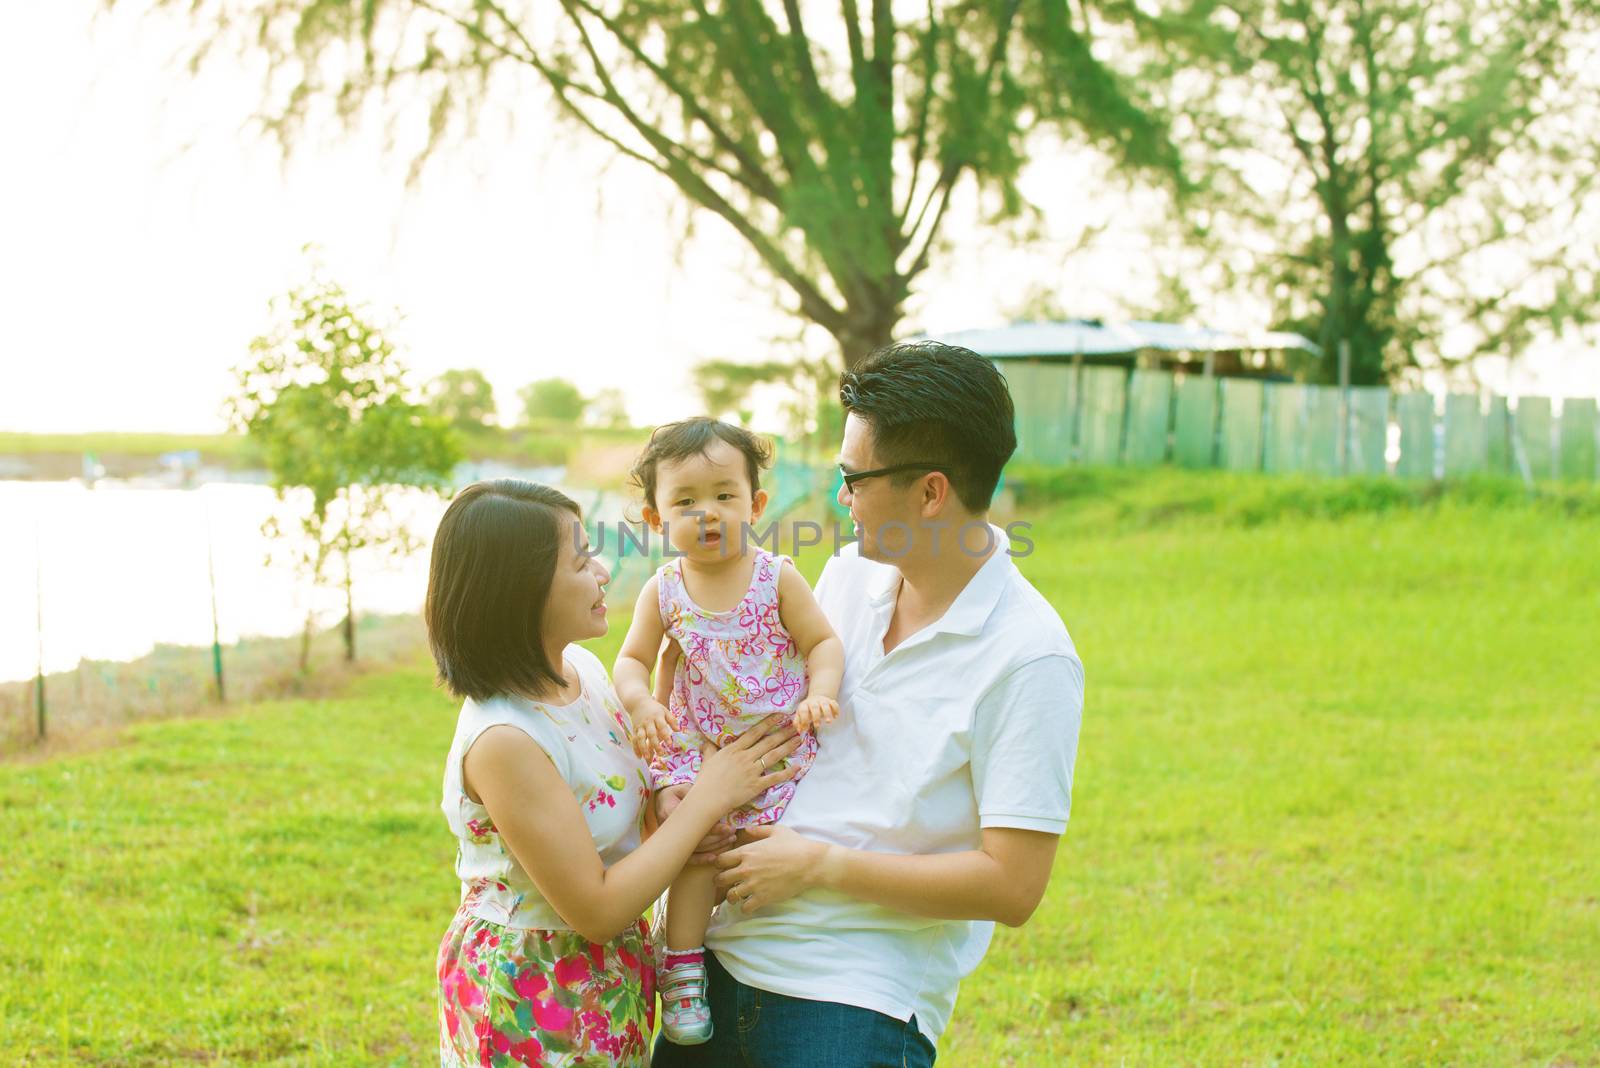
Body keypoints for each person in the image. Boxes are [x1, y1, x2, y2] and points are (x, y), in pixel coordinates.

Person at [651, 341, 1085, 1066]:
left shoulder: (1028, 654)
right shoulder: (849, 575)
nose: (840, 498)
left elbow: (1013, 886)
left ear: (930, 492)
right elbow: (756, 712)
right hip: (721, 949)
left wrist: (820, 866)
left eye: (853, 478)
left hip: (858, 995)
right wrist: (683, 789)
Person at [427, 479, 802, 1066]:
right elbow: (597, 911)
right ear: (520, 591)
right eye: (581, 562)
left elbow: (621, 799)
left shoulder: (578, 668)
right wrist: (709, 797)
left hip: (608, 984)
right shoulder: (505, 739)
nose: (602, 573)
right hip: (534, 996)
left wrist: (669, 797)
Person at [612, 419, 845, 1046]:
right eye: (685, 501)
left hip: (775, 745)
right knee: (697, 843)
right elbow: (632, 659)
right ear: (656, 518)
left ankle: (763, 958)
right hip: (696, 746)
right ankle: (682, 966)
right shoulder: (663, 591)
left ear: (756, 505)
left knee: (758, 845)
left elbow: (821, 641)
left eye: (724, 495)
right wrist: (640, 703)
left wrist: (821, 691)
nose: (707, 513)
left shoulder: (777, 578)